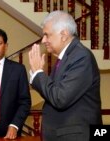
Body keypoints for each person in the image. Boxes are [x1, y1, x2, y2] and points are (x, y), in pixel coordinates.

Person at [28, 10, 102, 141]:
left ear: (63, 34)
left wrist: (38, 74)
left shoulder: (81, 56)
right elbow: (52, 93)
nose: (43, 40)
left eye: (47, 35)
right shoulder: (66, 57)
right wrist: (37, 74)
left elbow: (60, 98)